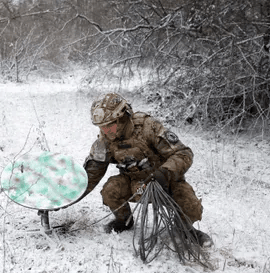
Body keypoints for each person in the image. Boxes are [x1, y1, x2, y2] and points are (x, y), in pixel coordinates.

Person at [81, 93, 212, 247]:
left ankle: (185, 230)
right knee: (110, 190)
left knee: (190, 204)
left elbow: (183, 153)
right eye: (102, 127)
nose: (106, 131)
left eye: (110, 125)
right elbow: (91, 175)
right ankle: (124, 221)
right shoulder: (104, 140)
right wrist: (65, 198)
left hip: (165, 182)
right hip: (135, 184)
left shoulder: (149, 127)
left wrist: (164, 173)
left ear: (123, 118)